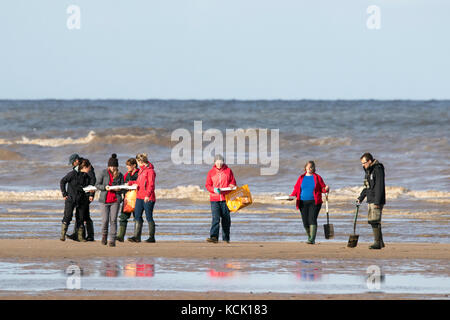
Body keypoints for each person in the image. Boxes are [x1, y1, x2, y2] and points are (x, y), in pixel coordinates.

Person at [290, 161, 329, 244]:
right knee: (305, 222)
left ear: (314, 168)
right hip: (302, 202)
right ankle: (310, 237)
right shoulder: (301, 178)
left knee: (312, 219)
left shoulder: (317, 177)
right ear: (305, 168)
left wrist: (326, 189)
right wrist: (291, 197)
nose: (309, 168)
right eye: (308, 167)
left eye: (311, 167)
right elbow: (296, 189)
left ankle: (312, 239)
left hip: (315, 202)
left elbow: (322, 189)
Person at [60, 159, 94, 242]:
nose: (90, 169)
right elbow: (62, 181)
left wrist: (91, 193)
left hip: (82, 199)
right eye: (89, 167)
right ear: (84, 167)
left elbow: (88, 187)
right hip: (70, 199)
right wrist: (64, 194)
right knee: (67, 217)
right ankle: (63, 235)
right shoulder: (72, 174)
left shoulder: (86, 176)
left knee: (80, 218)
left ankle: (80, 237)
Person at [204, 154, 236, 243]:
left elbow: (233, 182)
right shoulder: (211, 172)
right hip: (214, 199)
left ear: (223, 162)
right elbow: (207, 185)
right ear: (214, 162)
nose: (219, 164)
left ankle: (226, 239)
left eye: (221, 162)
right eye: (217, 162)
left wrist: (232, 185)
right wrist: (214, 190)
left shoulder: (228, 171)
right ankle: (214, 237)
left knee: (226, 219)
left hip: (226, 199)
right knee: (216, 218)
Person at [357, 153, 386, 249]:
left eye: (364, 163)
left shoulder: (378, 169)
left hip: (376, 199)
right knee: (372, 221)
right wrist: (361, 198)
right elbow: (366, 186)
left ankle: (377, 243)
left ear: (369, 161)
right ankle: (380, 242)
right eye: (361, 163)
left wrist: (378, 201)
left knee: (374, 220)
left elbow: (379, 186)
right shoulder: (368, 171)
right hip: (370, 199)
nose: (363, 165)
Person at [95, 154, 124, 247]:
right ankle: (104, 236)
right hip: (104, 200)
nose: (112, 168)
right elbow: (97, 185)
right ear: (108, 166)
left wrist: (119, 189)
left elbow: (123, 187)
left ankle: (112, 240)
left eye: (114, 166)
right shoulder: (103, 173)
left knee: (113, 220)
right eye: (111, 166)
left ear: (116, 166)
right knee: (105, 220)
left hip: (115, 200)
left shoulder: (120, 175)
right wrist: (105, 187)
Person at [127, 153, 156, 243]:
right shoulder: (141, 171)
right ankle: (136, 237)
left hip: (148, 198)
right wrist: (131, 183)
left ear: (140, 161)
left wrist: (147, 195)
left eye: (137, 162)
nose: (137, 164)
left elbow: (151, 185)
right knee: (137, 216)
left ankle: (152, 237)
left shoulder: (150, 171)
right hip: (139, 196)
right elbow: (139, 182)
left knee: (149, 217)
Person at [116, 158, 140, 242]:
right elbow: (123, 184)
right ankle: (120, 236)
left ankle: (137, 237)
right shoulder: (127, 174)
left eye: (129, 165)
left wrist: (130, 183)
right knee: (123, 217)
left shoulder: (139, 173)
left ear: (134, 165)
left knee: (137, 217)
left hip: (137, 198)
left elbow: (139, 183)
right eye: (127, 165)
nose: (127, 167)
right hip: (127, 198)